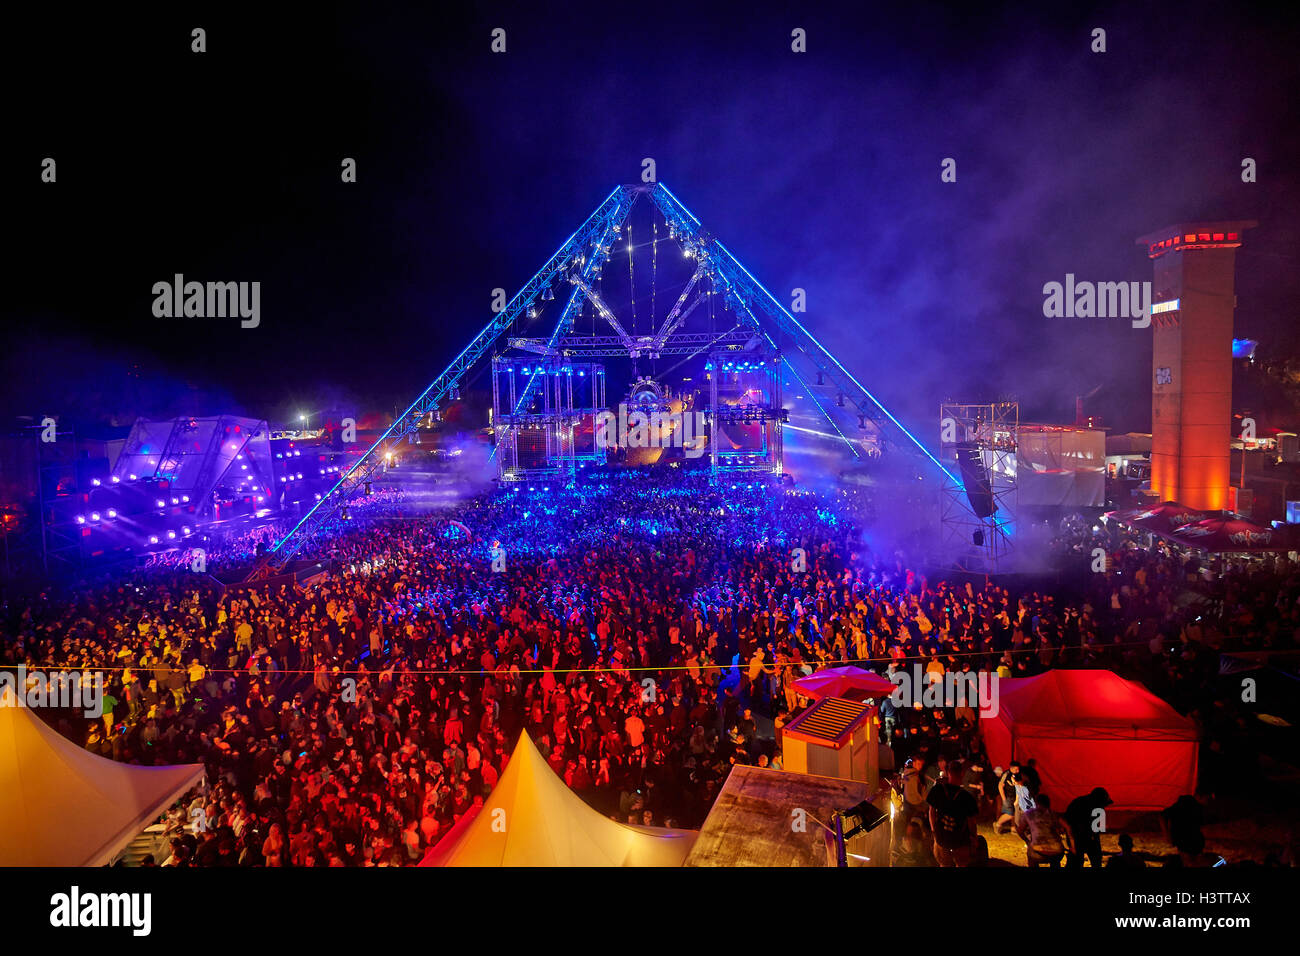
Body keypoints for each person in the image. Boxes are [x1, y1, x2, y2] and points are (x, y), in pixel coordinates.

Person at [926, 762, 979, 866]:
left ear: (947, 772)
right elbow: (971, 822)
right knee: (961, 863)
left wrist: (934, 831)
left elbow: (931, 812)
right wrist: (974, 838)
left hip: (941, 837)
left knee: (944, 864)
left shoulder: (937, 790)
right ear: (962, 773)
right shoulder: (967, 797)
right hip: (960, 840)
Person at [1064, 786, 1113, 868]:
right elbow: (1096, 830)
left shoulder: (1077, 802)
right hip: (1079, 837)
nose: (1104, 806)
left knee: (1077, 861)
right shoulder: (1096, 807)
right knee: (1085, 860)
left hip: (1077, 837)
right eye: (1104, 804)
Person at [1019, 793, 1067, 867]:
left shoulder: (1028, 814)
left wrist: (1027, 841)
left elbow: (1020, 830)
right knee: (1055, 861)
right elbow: (1068, 827)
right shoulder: (1054, 814)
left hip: (1037, 852)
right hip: (1057, 851)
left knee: (1031, 856)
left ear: (1036, 803)